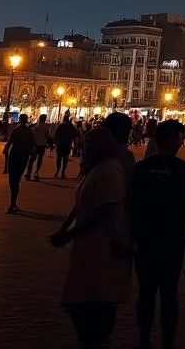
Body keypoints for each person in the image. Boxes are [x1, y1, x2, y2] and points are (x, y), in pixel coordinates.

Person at [50, 127, 133, 348]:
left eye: (88, 143)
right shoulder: (95, 169)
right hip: (88, 246)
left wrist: (69, 233)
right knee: (82, 299)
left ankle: (97, 340)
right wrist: (65, 229)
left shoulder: (109, 170)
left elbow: (106, 210)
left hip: (103, 245)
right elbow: (80, 204)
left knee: (94, 302)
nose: (84, 147)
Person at [130, 120, 185, 349]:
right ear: (172, 139)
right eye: (181, 136)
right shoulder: (183, 168)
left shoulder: (141, 168)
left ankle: (143, 339)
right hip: (172, 239)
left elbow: (130, 204)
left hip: (145, 239)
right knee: (169, 293)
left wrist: (130, 235)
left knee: (146, 292)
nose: (182, 141)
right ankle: (167, 341)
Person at [4, 114, 35, 214]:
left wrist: (6, 149)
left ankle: (12, 203)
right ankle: (13, 203)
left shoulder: (16, 130)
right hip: (23, 156)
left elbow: (9, 142)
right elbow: (31, 146)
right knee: (16, 180)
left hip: (14, 155)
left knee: (13, 180)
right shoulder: (29, 131)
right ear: (26, 120)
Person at [26, 114, 50, 181]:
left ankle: (28, 173)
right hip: (41, 145)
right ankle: (36, 173)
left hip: (35, 145)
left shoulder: (36, 126)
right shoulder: (46, 127)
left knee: (31, 160)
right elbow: (48, 136)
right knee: (39, 160)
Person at [54, 113, 77, 179]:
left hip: (61, 144)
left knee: (59, 158)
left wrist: (55, 141)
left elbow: (56, 134)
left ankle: (58, 171)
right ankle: (62, 172)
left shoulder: (61, 126)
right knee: (65, 159)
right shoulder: (70, 126)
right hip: (67, 144)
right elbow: (75, 134)